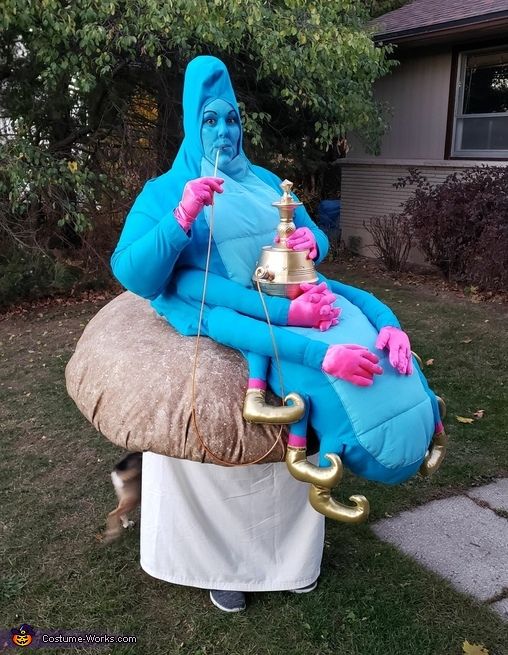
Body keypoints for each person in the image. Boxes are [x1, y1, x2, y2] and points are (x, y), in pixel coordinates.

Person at [111, 55, 442, 612]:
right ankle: (221, 566)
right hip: (228, 323)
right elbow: (135, 272)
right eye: (211, 121)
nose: (225, 131)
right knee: (228, 444)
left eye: (233, 119)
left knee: (340, 392)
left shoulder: (266, 181)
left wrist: (314, 245)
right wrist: (182, 216)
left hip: (299, 306)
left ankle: (288, 562)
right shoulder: (164, 190)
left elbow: (310, 238)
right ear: (193, 126)